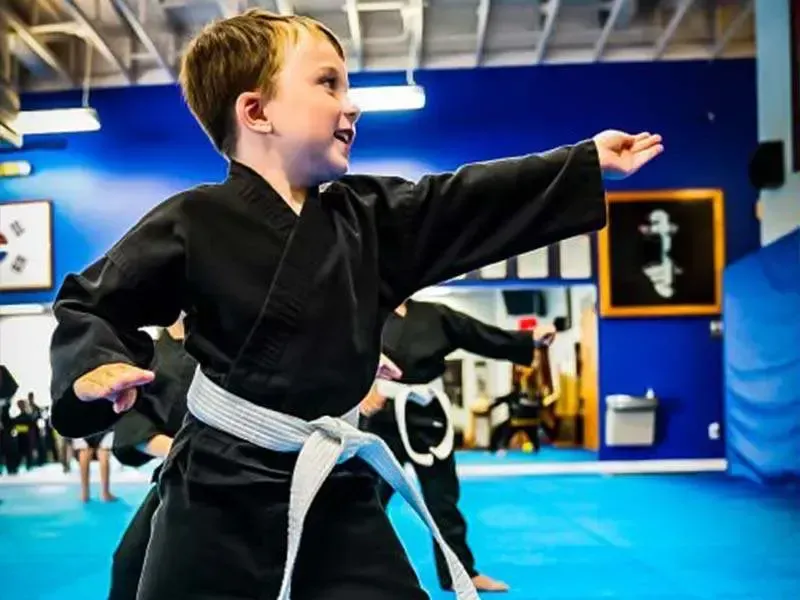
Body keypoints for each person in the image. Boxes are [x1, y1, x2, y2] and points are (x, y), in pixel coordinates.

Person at [47, 9, 663, 600]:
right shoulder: (192, 221)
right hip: (217, 490)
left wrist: (580, 165)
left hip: (334, 487)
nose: (352, 103)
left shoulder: (367, 218)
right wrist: (92, 367)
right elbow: (92, 302)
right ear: (257, 112)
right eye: (328, 83)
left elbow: (460, 202)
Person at [361, 299, 554, 593]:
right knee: (368, 499)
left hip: (428, 418)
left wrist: (530, 339)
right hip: (381, 421)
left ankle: (459, 572)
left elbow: (480, 335)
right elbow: (333, 352)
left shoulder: (434, 316)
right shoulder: (361, 314)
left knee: (443, 500)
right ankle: (359, 575)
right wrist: (361, 387)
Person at [109, 316, 197, 600]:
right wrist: (179, 449)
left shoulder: (229, 346)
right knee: (129, 563)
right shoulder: (151, 354)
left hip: (240, 477)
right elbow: (131, 424)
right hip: (177, 478)